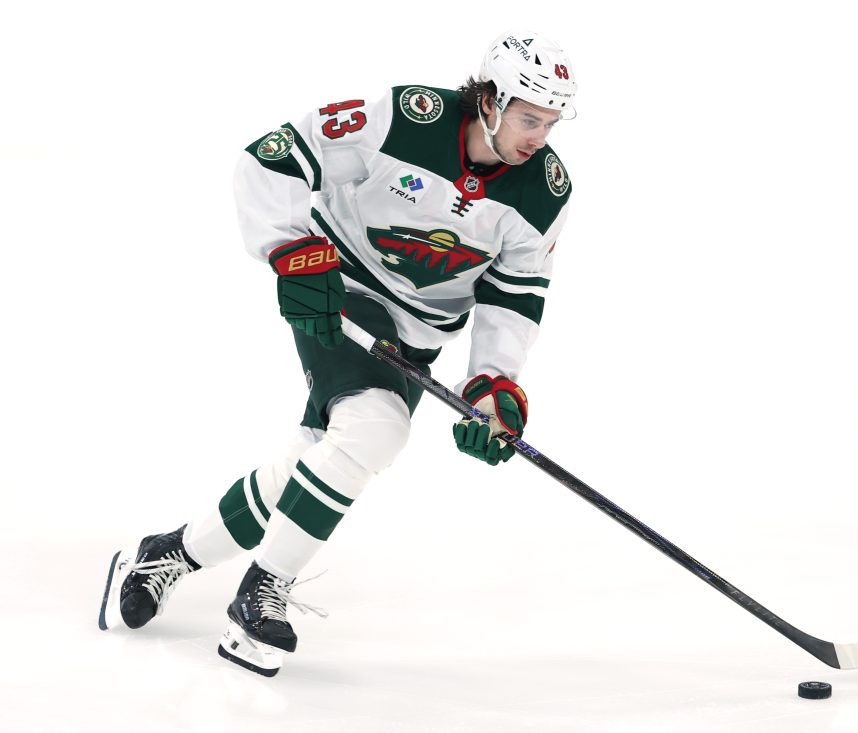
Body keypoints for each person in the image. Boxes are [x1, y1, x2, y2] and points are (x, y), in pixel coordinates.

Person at [98, 30, 576, 677]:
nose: (539, 135)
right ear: (489, 101)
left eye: (550, 121)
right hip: (340, 292)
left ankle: (169, 555)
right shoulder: (407, 119)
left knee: (316, 461)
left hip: (419, 334)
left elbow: (514, 296)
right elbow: (274, 158)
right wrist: (291, 252)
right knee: (377, 428)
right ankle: (262, 593)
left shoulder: (544, 190)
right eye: (528, 117)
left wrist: (493, 384)